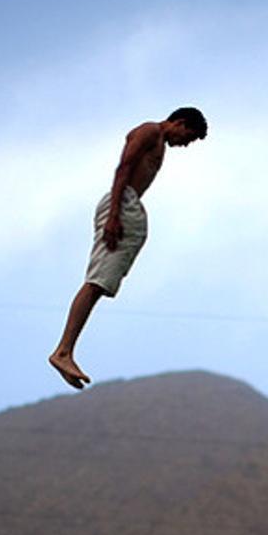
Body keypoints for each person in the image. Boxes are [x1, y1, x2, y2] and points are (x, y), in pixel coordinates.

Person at [49, 107, 208, 389]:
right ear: (180, 123)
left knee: (102, 283)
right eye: (189, 137)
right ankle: (63, 351)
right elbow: (123, 168)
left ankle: (65, 350)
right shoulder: (150, 131)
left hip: (128, 204)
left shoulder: (159, 142)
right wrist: (114, 215)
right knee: (96, 281)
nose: (185, 144)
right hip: (120, 203)